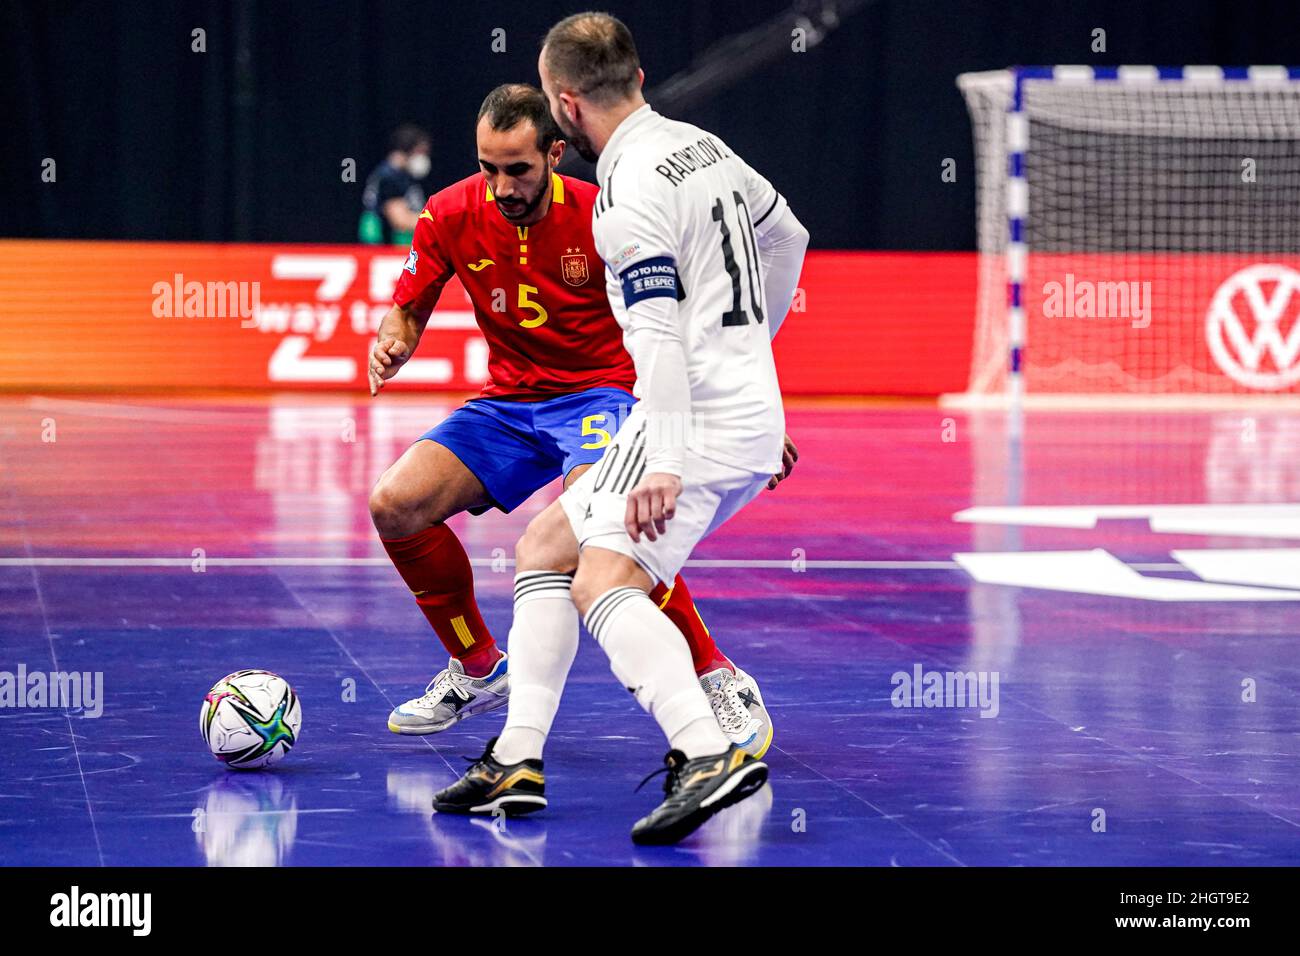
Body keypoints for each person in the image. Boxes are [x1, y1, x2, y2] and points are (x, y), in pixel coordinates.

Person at [433, 14, 808, 845]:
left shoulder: (624, 194)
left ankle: (709, 751)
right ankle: (517, 756)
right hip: (733, 404)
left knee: (603, 581)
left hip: (689, 419)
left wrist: (664, 463)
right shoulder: (702, 146)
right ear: (635, 77)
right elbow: (788, 236)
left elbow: (660, 335)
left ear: (565, 105)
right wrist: (753, 357)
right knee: (544, 547)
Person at [369, 84, 783, 757]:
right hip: (506, 404)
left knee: (603, 529)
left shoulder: (607, 215)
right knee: (395, 504)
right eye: (488, 168)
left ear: (556, 153)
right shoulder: (447, 213)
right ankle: (477, 670)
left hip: (600, 397)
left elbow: (680, 324)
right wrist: (394, 340)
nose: (501, 186)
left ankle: (716, 675)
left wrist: (751, 411)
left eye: (519, 169)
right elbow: (407, 308)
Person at [360, 125, 432, 246]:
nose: (424, 157)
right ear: (407, 150)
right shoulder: (391, 177)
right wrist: (436, 222)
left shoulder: (404, 176)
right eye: (421, 152)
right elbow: (400, 221)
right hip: (388, 243)